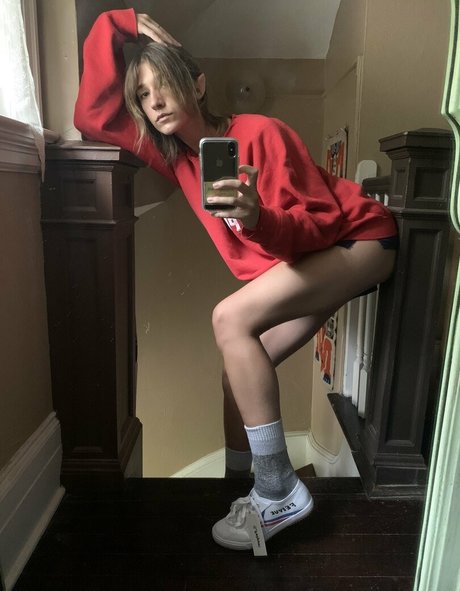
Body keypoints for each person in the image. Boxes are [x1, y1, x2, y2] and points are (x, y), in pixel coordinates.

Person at [74, 8, 398, 553]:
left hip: (360, 241)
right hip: (312, 259)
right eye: (144, 94)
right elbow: (91, 113)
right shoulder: (177, 158)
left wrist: (257, 219)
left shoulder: (261, 133)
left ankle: (278, 489)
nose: (155, 101)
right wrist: (121, 23)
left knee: (229, 318)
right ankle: (241, 486)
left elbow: (321, 223)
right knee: (237, 373)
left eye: (164, 84)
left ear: (198, 85)